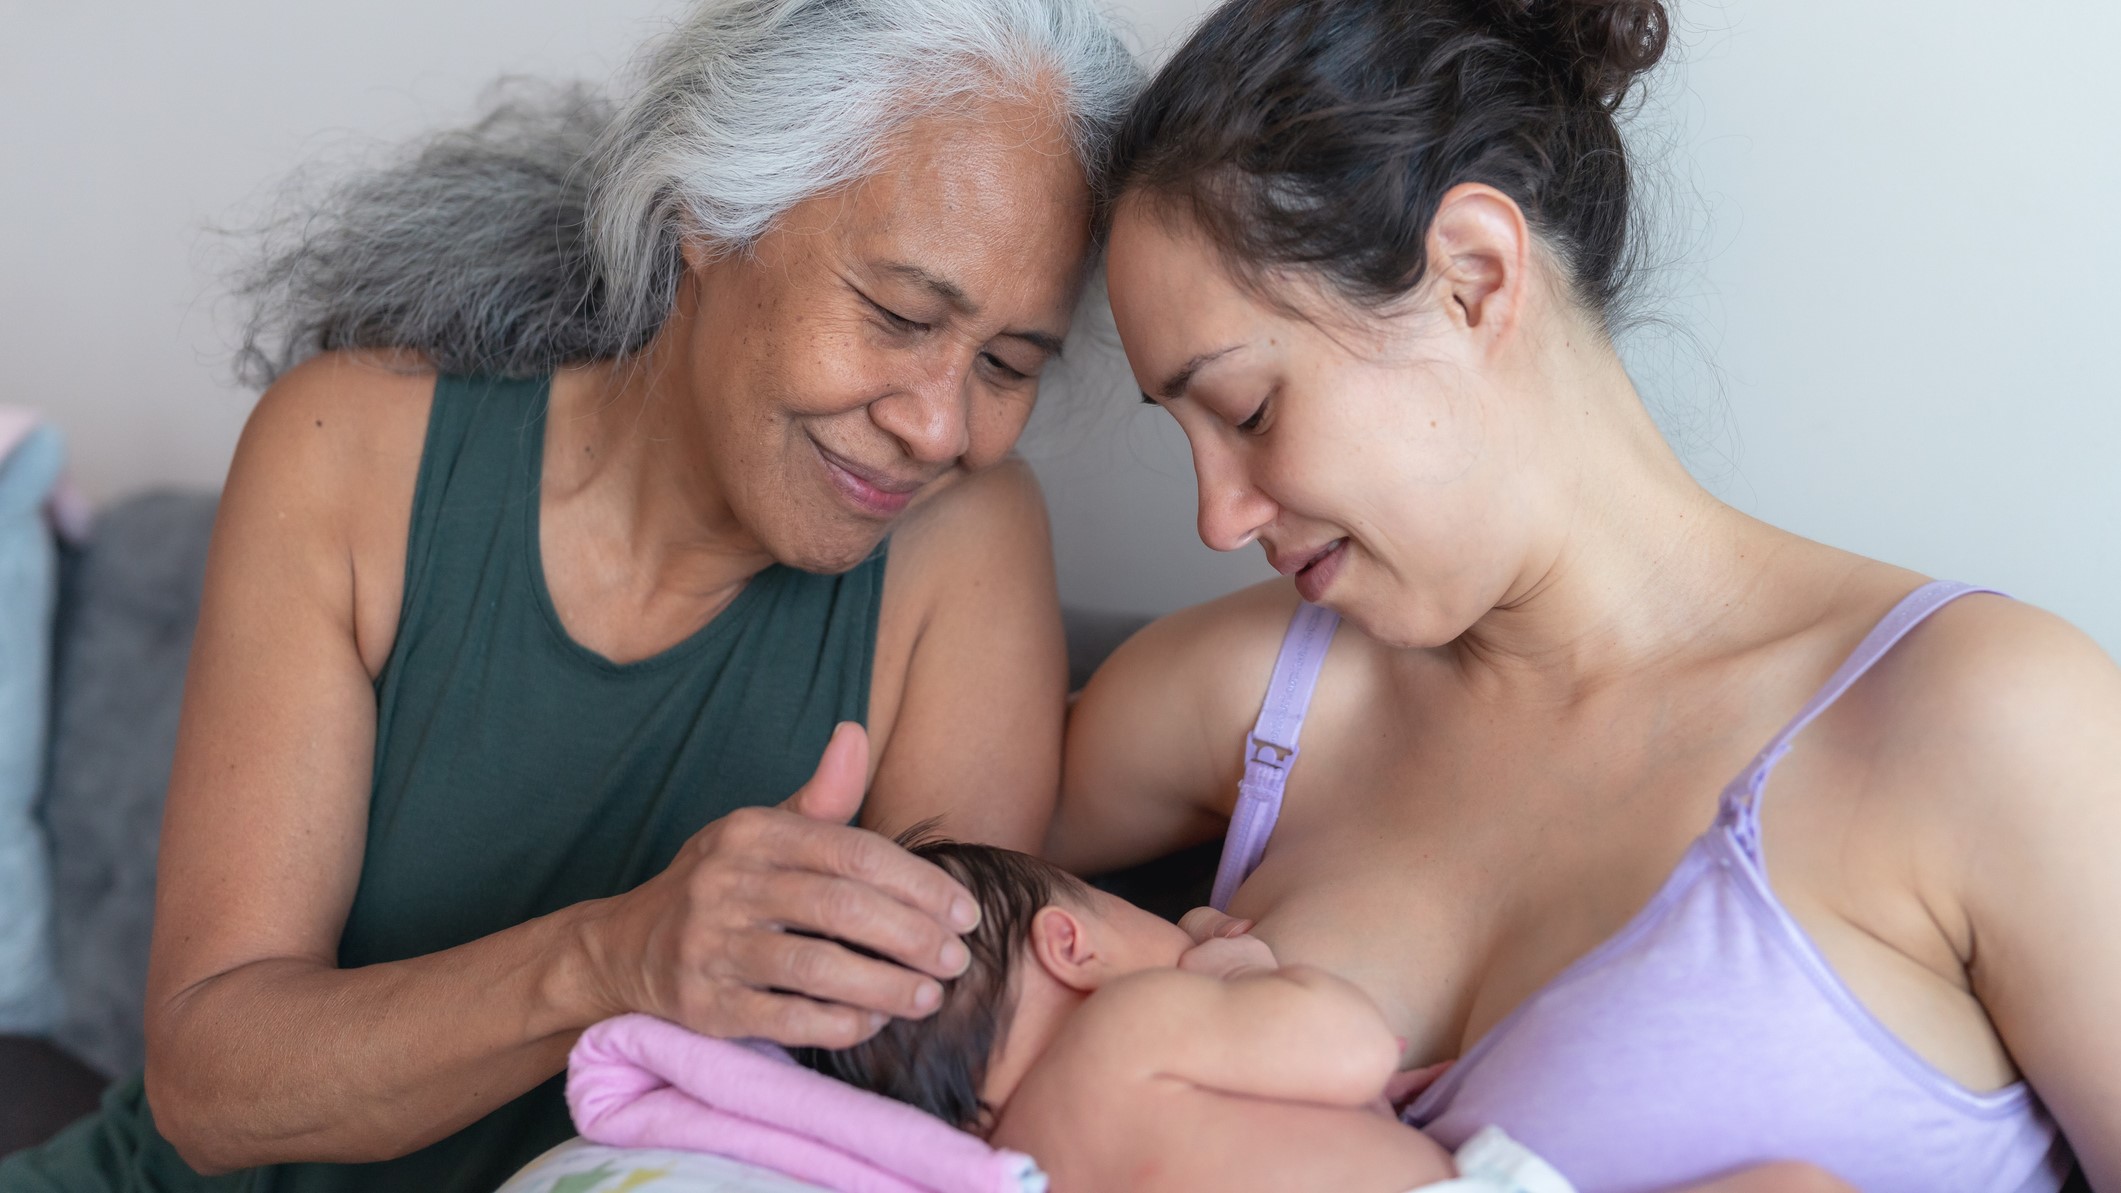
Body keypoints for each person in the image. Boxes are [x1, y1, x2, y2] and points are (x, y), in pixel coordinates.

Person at [0, 1, 1140, 1190]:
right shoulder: (349, 449)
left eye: (1009, 365)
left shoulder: (968, 542)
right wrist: (614, 954)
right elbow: (207, 1086)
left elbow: (941, 1111)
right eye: (899, 315)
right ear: (706, 215)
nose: (940, 425)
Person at [1054, 0, 2120, 1188]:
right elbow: (916, 915)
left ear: (1472, 276)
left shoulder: (1988, 720)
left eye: (1249, 411)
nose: (1216, 516)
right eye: (1185, 435)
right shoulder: (1254, 696)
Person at [800, 834, 1626, 1193]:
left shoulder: (1034, 1160)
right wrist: (1242, 968)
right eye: (1114, 901)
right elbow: (1357, 1047)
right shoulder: (1134, 1021)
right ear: (1071, 944)